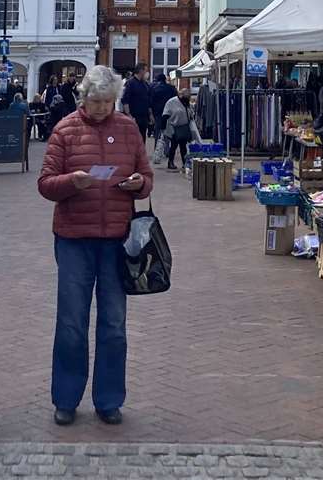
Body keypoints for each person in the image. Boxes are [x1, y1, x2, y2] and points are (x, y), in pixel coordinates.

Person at [38, 65, 152, 427]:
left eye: (107, 101)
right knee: (71, 322)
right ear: (83, 98)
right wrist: (73, 181)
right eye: (95, 101)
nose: (102, 108)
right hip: (74, 239)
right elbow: (45, 184)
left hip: (117, 239)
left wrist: (139, 184)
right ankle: (66, 398)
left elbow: (146, 176)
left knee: (114, 323)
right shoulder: (65, 130)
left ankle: (108, 399)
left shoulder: (128, 128)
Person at [162, 89, 197, 171]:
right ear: (181, 95)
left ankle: (185, 163)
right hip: (174, 127)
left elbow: (190, 113)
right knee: (173, 145)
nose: (188, 98)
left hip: (184, 127)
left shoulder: (186, 103)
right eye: (186, 96)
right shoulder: (172, 102)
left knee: (183, 146)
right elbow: (165, 115)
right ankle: (170, 162)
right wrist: (163, 128)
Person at [121, 63, 154, 142]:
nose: (147, 73)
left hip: (144, 117)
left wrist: (150, 114)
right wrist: (129, 115)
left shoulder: (145, 84)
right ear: (140, 71)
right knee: (133, 139)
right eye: (145, 70)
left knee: (142, 139)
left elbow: (148, 100)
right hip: (134, 116)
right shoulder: (130, 83)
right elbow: (125, 100)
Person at [149, 72, 176, 143]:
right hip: (169, 113)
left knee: (158, 132)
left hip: (158, 113)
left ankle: (157, 149)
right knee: (168, 132)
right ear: (165, 80)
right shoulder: (172, 88)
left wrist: (151, 114)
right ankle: (167, 150)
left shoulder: (154, 89)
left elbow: (151, 102)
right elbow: (175, 100)